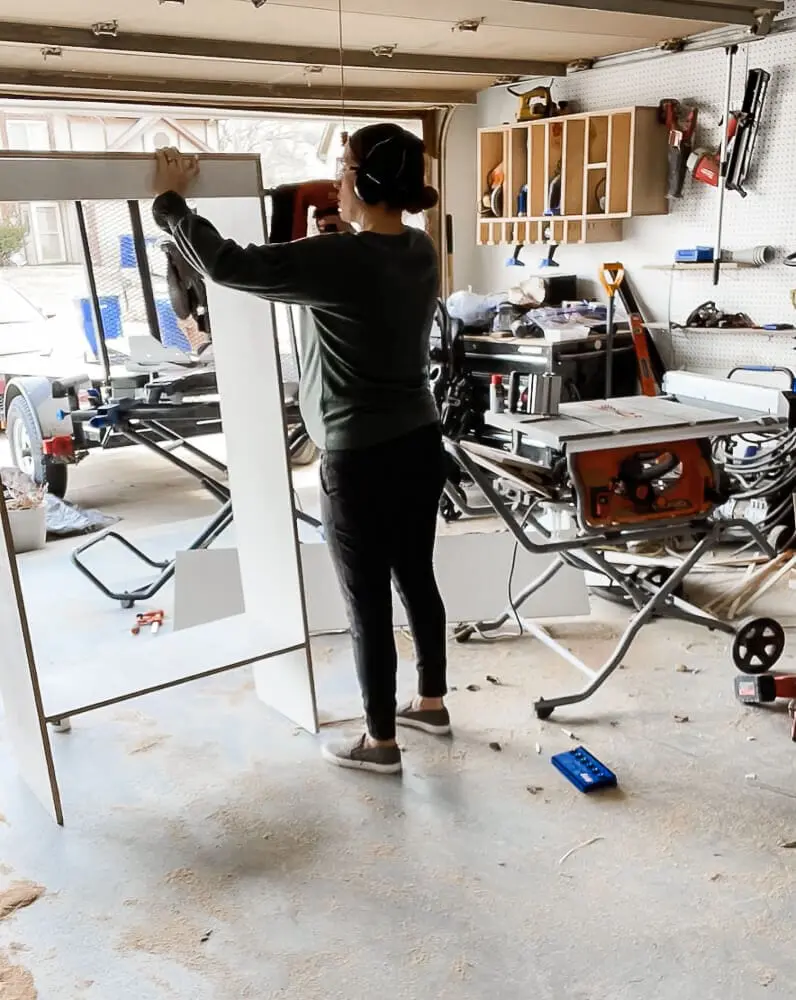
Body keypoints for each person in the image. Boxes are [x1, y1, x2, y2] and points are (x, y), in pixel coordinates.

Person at [151, 124, 450, 776]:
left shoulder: (336, 260)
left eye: (344, 168)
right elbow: (365, 273)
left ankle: (379, 743)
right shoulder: (421, 249)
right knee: (416, 576)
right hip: (419, 442)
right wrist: (339, 238)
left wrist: (171, 205)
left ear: (364, 182)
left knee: (366, 602)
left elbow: (229, 266)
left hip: (359, 454)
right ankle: (430, 702)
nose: (337, 179)